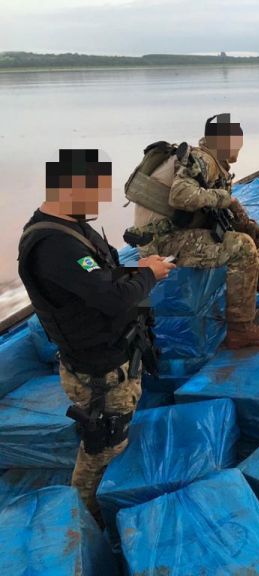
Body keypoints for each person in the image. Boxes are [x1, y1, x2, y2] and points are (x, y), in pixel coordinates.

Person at [17, 148, 175, 525]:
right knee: (102, 446)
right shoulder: (55, 246)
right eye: (95, 190)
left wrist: (137, 269)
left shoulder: (72, 226)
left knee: (110, 438)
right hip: (98, 370)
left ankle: (97, 505)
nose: (100, 200)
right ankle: (85, 519)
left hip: (115, 355)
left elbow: (100, 276)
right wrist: (150, 275)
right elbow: (109, 297)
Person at [128, 113, 259, 348]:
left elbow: (212, 209)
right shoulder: (203, 160)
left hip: (175, 232)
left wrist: (245, 223)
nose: (239, 148)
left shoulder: (208, 162)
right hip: (162, 241)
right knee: (242, 247)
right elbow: (181, 196)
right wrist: (225, 198)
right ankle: (241, 329)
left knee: (252, 238)